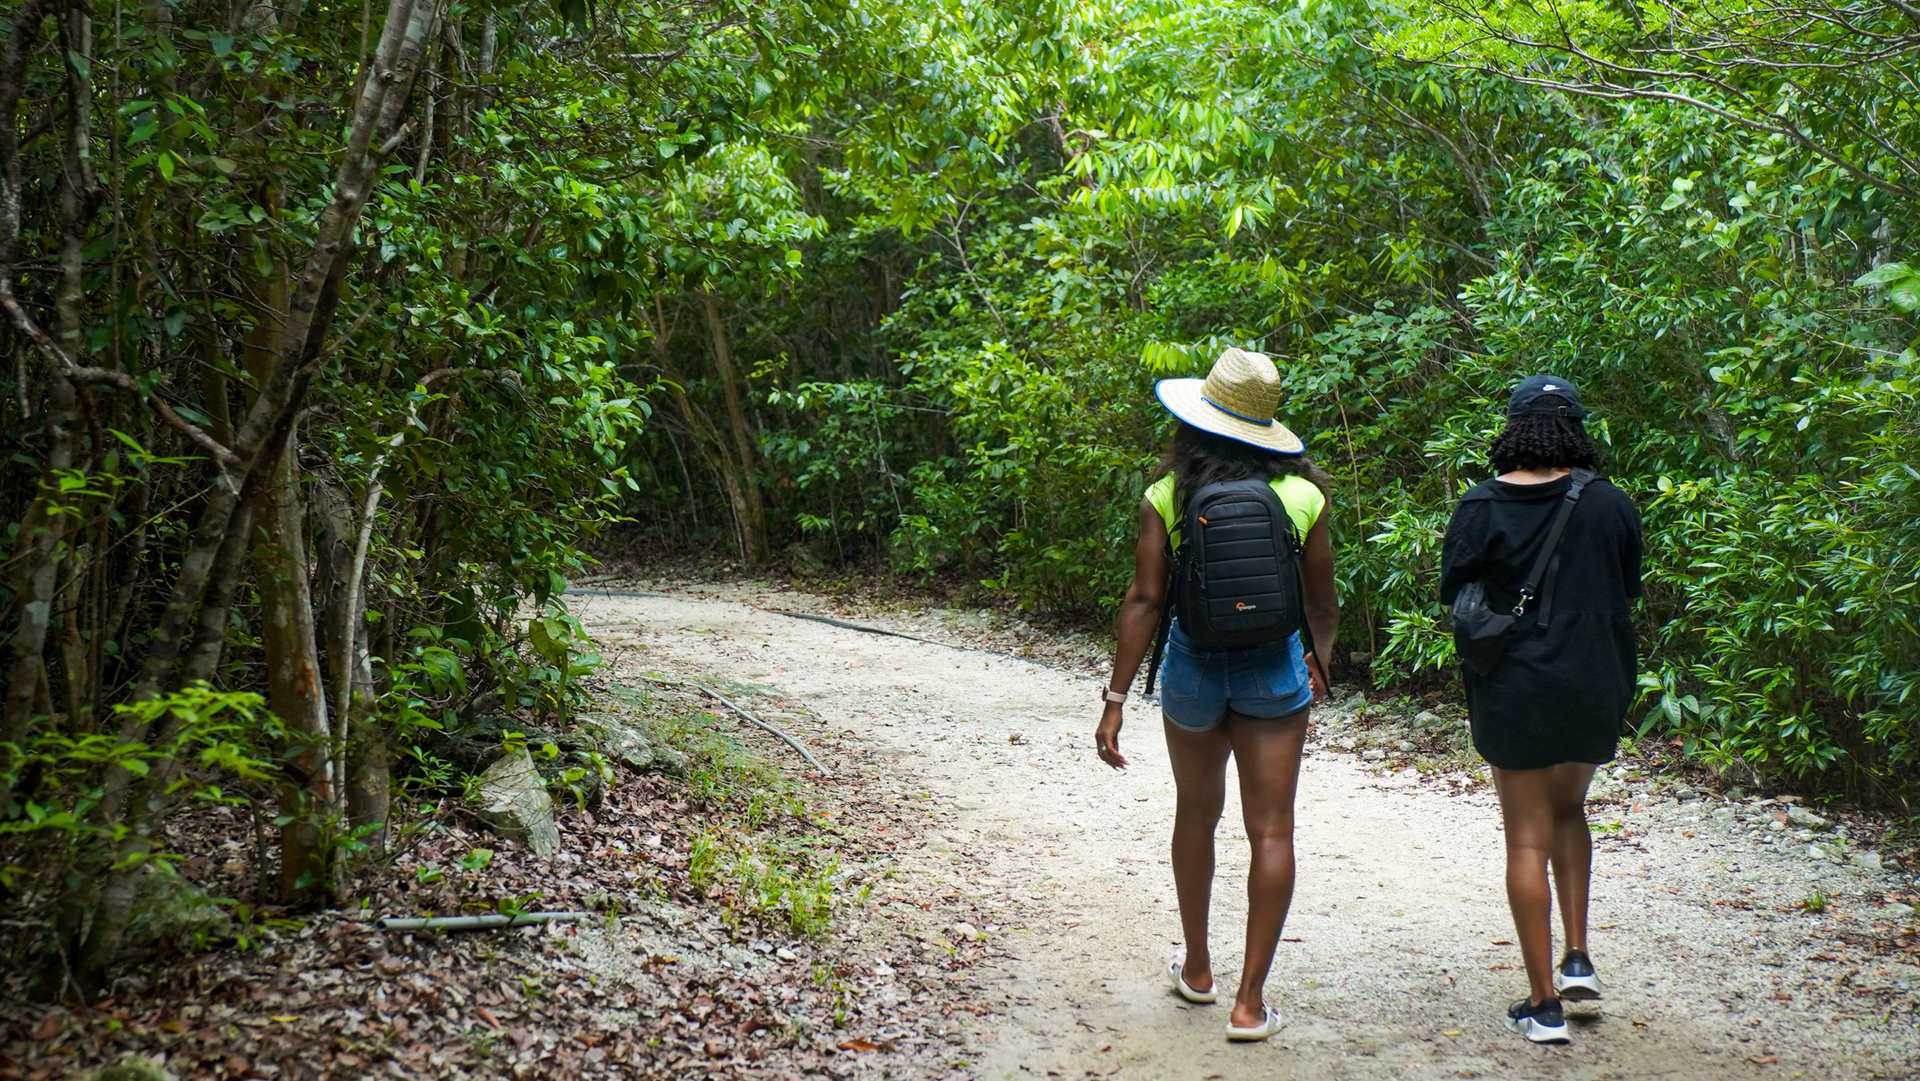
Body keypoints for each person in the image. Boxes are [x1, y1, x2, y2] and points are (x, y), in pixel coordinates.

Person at [1093, 348, 1340, 1042]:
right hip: (1273, 671)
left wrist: (1115, 698)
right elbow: (1322, 601)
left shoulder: (1168, 495)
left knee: (1196, 816)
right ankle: (1250, 1003)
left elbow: (1145, 600)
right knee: (1272, 830)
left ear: (1199, 420)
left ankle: (1198, 966)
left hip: (1194, 670)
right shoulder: (1302, 496)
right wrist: (1317, 665)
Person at [1439, 375, 1643, 1045]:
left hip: (1516, 688)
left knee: (1526, 835)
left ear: (1514, 428)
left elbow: (1458, 597)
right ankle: (1577, 955)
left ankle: (1544, 1003)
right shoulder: (1612, 504)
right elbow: (1626, 588)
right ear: (1576, 432)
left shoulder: (1479, 505)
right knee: (1568, 810)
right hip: (1594, 684)